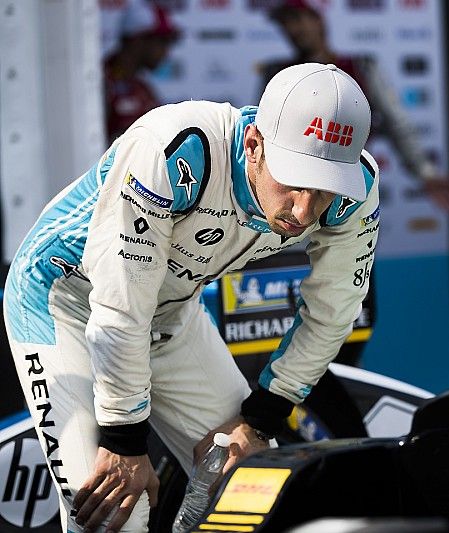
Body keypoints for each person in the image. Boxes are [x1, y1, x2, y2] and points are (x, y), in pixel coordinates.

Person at [3, 63, 380, 532]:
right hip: (62, 299)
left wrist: (260, 419)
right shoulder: (178, 147)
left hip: (169, 311)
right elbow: (120, 305)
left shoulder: (356, 191)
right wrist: (123, 440)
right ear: (254, 146)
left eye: (323, 189)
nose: (304, 211)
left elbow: (333, 313)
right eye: (294, 180)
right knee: (115, 511)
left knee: (251, 486)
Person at [261, 0, 449, 214]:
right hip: (292, 191)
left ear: (318, 20)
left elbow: (396, 123)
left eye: (296, 19)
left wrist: (425, 172)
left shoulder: (360, 67)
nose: (292, 29)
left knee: (352, 243)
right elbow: (264, 130)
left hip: (347, 189)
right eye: (284, 23)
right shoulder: (279, 74)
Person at [104, 1, 180, 141]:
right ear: (137, 41)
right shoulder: (100, 84)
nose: (166, 52)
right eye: (161, 41)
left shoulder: (142, 88)